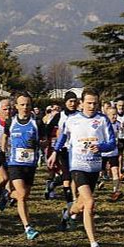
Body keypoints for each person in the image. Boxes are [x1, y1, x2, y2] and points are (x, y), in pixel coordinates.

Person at [48, 90, 116, 247]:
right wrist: (55, 152)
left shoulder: (102, 120)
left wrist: (100, 147)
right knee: (90, 203)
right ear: (82, 103)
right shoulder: (72, 120)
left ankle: (69, 213)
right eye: (89, 103)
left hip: (94, 167)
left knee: (81, 203)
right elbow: (62, 138)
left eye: (95, 103)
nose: (92, 106)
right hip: (77, 166)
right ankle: (94, 246)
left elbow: (112, 143)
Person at [6, 93, 42, 240]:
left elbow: (44, 141)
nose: (25, 107)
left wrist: (38, 144)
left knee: (24, 196)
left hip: (30, 164)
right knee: (21, 195)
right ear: (16, 106)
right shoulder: (11, 121)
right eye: (22, 104)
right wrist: (2, 152)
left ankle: (6, 194)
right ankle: (28, 227)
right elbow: (5, 138)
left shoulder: (37, 122)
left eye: (27, 104)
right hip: (15, 164)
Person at [46, 92, 80, 230]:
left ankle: (54, 184)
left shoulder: (79, 115)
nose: (72, 104)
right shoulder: (59, 116)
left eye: (74, 101)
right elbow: (48, 129)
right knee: (67, 179)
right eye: (70, 101)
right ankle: (70, 206)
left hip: (77, 150)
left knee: (74, 179)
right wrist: (49, 142)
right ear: (65, 102)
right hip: (63, 150)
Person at [102, 104, 124, 201]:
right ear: (107, 115)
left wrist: (120, 142)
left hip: (113, 152)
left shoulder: (119, 124)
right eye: (112, 114)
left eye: (115, 114)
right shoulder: (102, 124)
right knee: (101, 171)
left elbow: (122, 137)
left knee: (115, 171)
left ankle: (116, 191)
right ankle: (100, 182)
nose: (114, 116)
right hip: (102, 153)